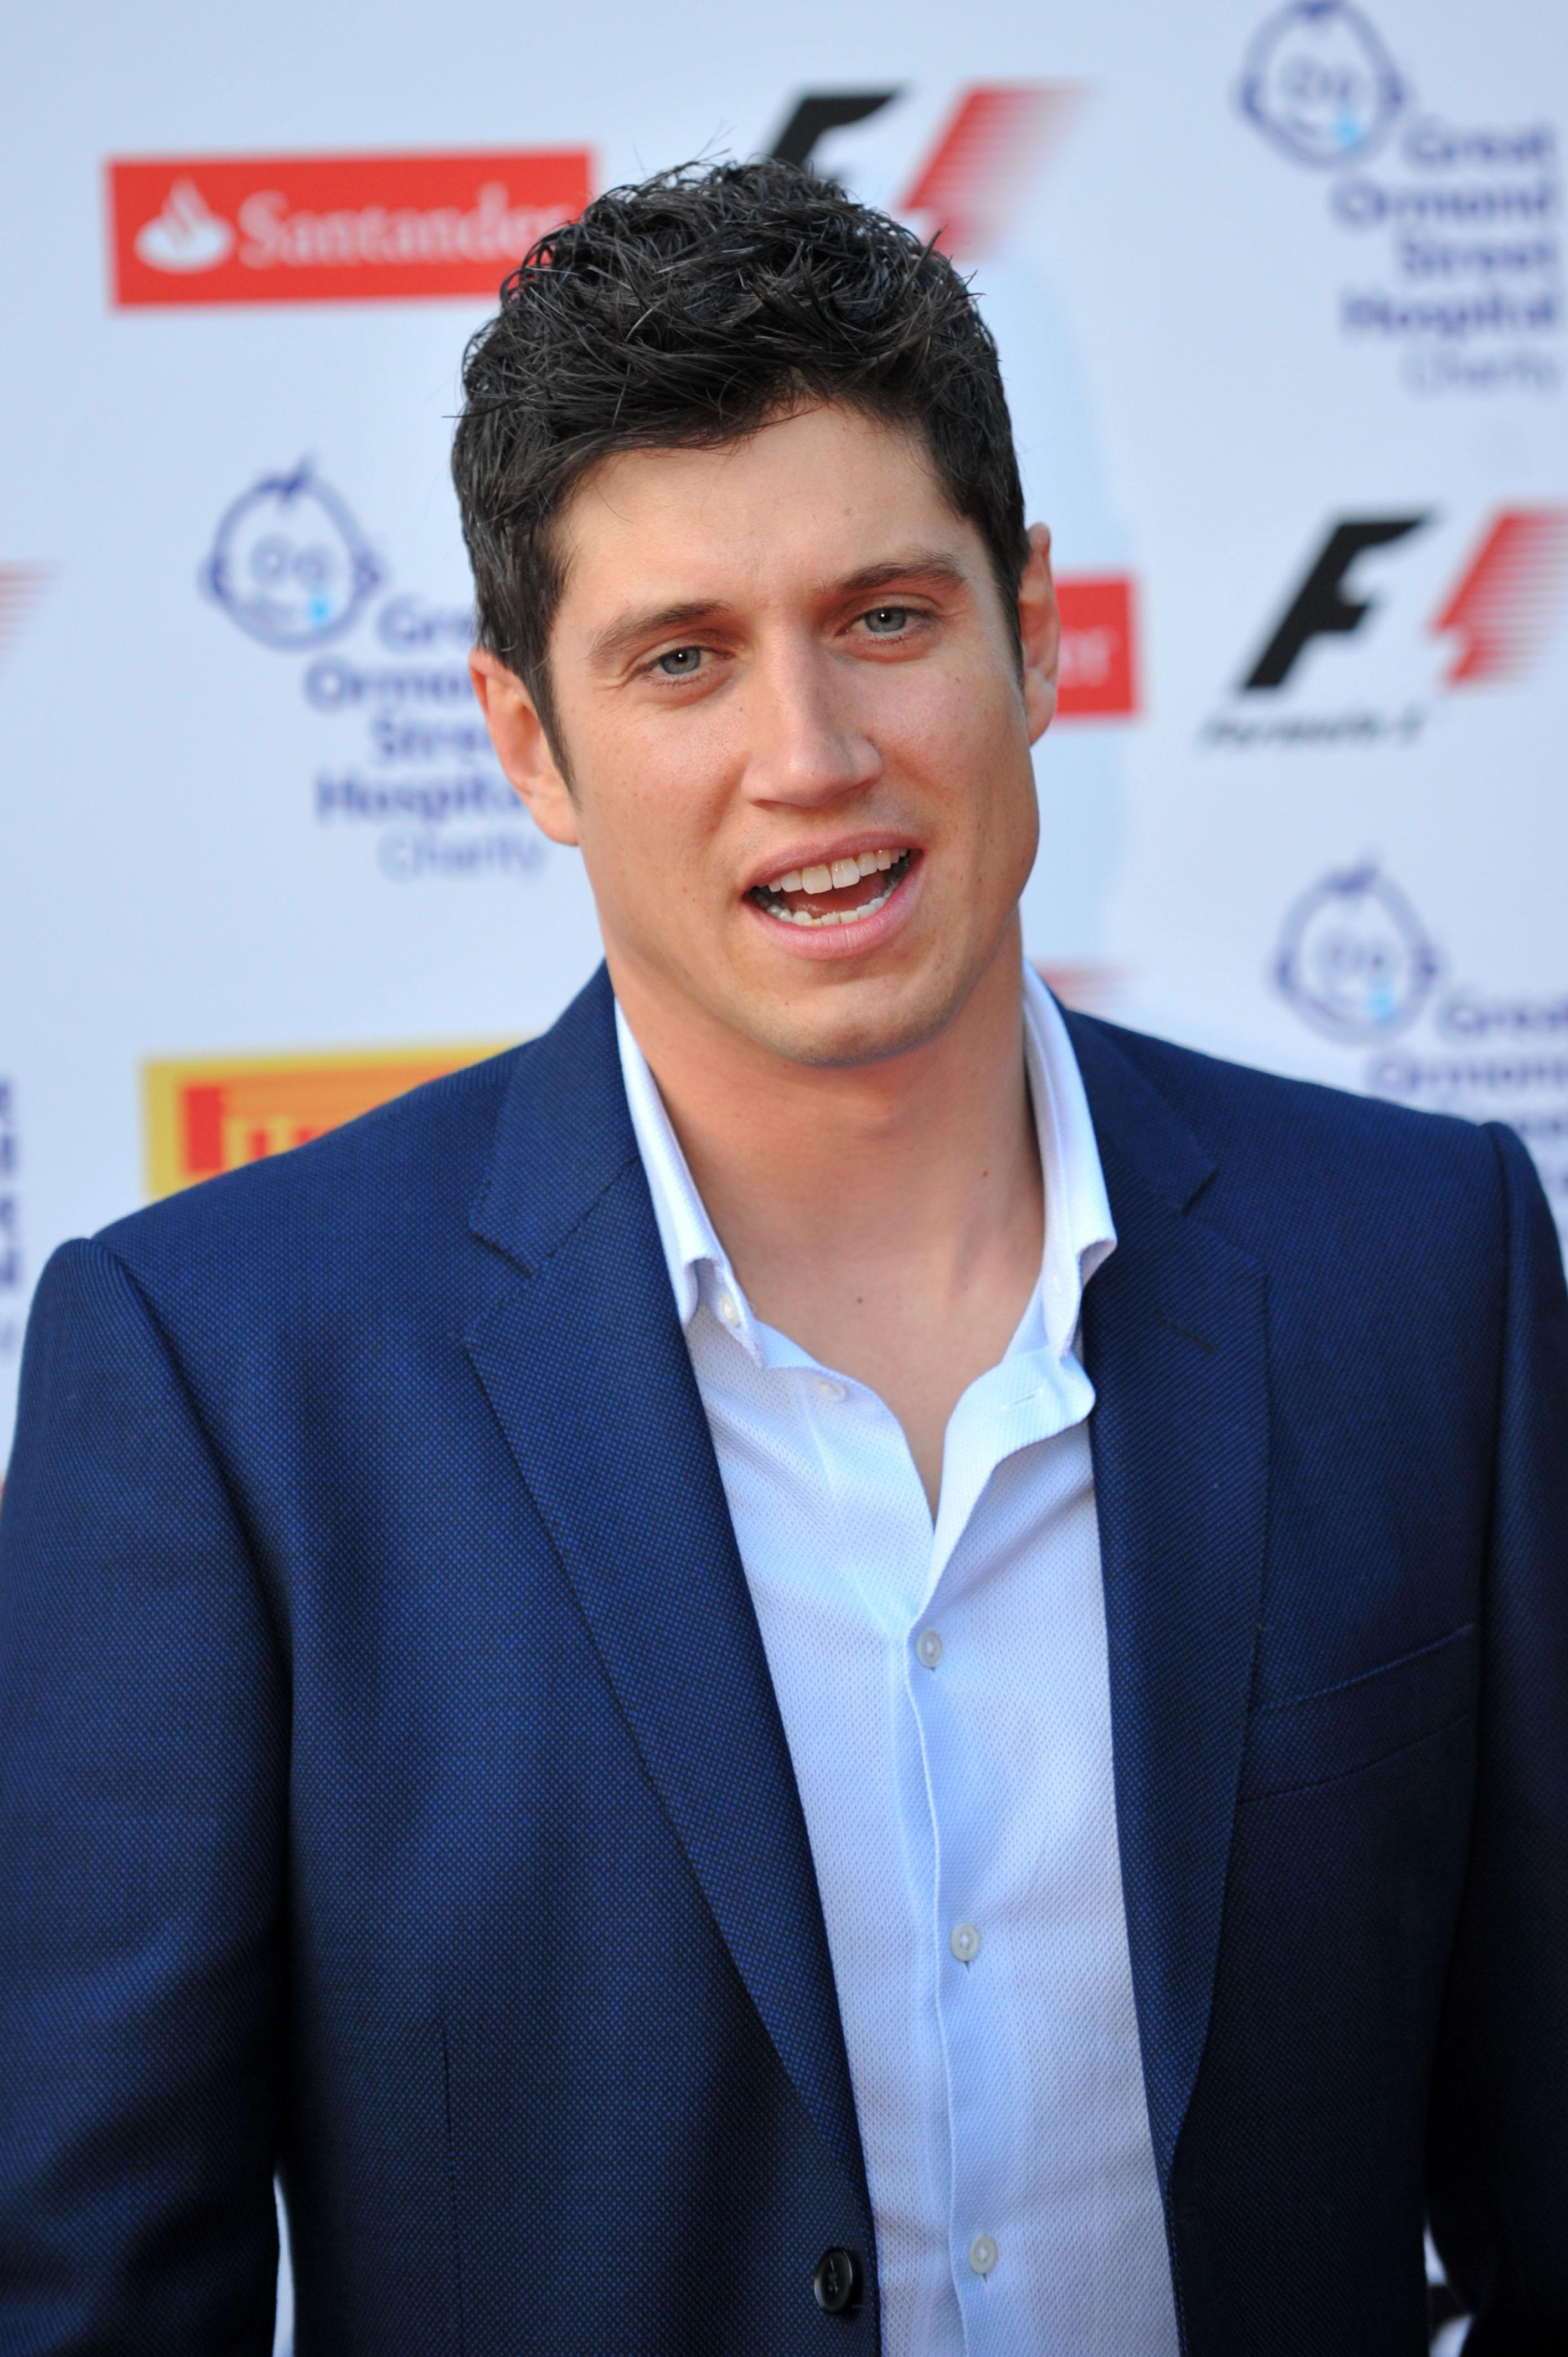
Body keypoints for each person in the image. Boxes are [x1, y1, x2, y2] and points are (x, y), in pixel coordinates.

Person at [1, 161, 1564, 2357]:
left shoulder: (1428, 1265)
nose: (810, 759)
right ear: (527, 739)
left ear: (1032, 628)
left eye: (886, 618)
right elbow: (91, 2292)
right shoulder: (217, 1373)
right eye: (682, 659)